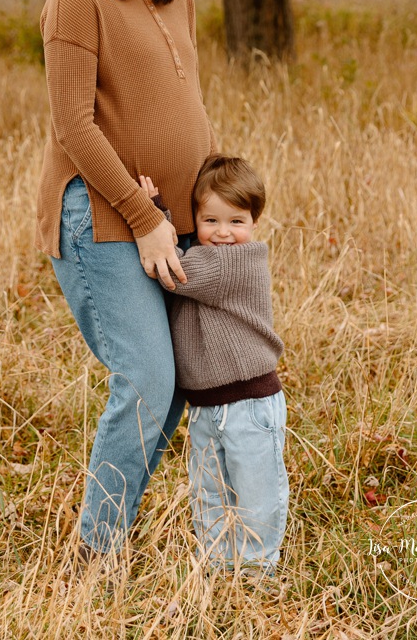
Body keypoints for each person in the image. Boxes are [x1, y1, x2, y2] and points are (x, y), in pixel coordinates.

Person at [35, 0, 216, 556]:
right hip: (102, 218)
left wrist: (207, 211)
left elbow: (183, 105)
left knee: (172, 387)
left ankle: (111, 533)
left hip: (174, 223)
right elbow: (73, 125)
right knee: (145, 379)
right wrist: (143, 219)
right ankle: (94, 555)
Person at [139, 155, 288, 574]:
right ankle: (219, 567)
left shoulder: (237, 262)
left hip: (250, 405)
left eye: (236, 222)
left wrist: (153, 218)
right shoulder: (209, 257)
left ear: (254, 223)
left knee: (257, 495)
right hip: (206, 408)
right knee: (209, 492)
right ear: (197, 221)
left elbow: (172, 269)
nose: (223, 233)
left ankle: (258, 573)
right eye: (211, 221)